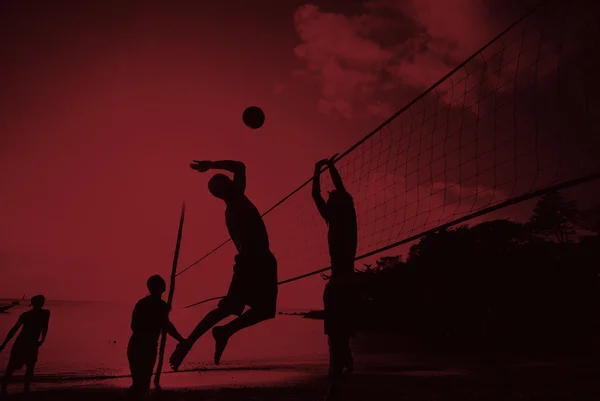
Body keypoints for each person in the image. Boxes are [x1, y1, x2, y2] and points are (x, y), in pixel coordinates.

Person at [169, 160, 278, 371]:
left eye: (222, 184)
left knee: (265, 311)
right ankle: (188, 343)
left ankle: (224, 332)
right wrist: (211, 165)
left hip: (264, 261)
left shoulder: (235, 200)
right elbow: (240, 166)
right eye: (219, 187)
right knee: (226, 308)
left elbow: (239, 167)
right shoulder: (235, 202)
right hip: (251, 263)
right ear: (221, 191)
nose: (225, 186)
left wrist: (211, 164)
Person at [312, 154, 358, 401]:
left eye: (330, 200)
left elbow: (318, 196)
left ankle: (334, 386)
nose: (327, 201)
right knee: (338, 336)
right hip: (344, 282)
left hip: (341, 284)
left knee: (335, 338)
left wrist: (319, 170)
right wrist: (328, 168)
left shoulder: (340, 219)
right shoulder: (347, 216)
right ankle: (344, 363)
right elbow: (331, 194)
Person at [128, 275, 184, 400]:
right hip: (145, 346)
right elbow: (167, 326)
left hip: (136, 344)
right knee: (143, 383)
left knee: (138, 383)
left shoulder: (142, 303)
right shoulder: (160, 306)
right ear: (162, 288)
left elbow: (134, 325)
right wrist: (181, 339)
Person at [0, 294, 50, 396]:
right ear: (36, 303)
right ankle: (6, 388)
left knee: (26, 366)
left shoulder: (42, 314)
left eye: (42, 301)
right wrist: (4, 344)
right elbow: (14, 330)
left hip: (28, 343)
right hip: (23, 343)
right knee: (16, 367)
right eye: (41, 301)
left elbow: (45, 327)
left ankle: (23, 388)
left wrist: (42, 339)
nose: (42, 303)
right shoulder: (32, 315)